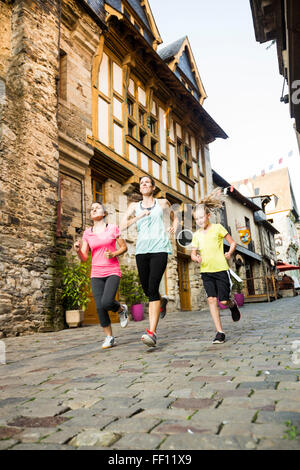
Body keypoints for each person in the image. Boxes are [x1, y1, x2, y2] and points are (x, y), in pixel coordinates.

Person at [121, 175, 178, 347]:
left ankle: (151, 333)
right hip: (142, 250)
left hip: (160, 248)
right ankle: (161, 301)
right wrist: (139, 217)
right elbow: (122, 225)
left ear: (153, 187)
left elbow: (175, 217)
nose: (144, 184)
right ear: (140, 188)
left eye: (147, 182)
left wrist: (173, 227)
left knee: (152, 288)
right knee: (147, 288)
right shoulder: (133, 206)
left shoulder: (162, 203)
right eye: (141, 183)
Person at [74, 202, 128, 350]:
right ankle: (109, 337)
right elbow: (84, 257)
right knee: (99, 307)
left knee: (107, 301)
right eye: (92, 209)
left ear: (104, 213)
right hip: (96, 273)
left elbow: (124, 247)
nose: (93, 210)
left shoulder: (112, 228)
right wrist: (78, 250)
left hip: (112, 270)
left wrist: (113, 254)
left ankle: (121, 309)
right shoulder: (87, 233)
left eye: (97, 208)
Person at [191, 189, 241, 344]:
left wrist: (230, 253)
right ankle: (220, 332)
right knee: (212, 300)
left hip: (220, 269)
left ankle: (232, 305)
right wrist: (195, 257)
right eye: (196, 219)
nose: (199, 220)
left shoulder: (218, 228)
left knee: (223, 301)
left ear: (208, 216)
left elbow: (233, 243)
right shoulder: (196, 235)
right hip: (206, 271)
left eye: (201, 217)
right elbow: (193, 253)